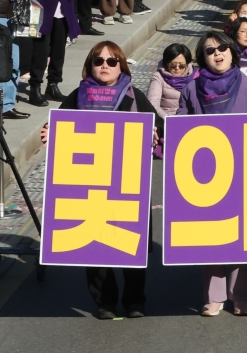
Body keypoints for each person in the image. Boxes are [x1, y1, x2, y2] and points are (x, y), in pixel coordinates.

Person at [38, 42, 160, 319]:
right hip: (88, 183)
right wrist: (49, 132)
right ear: (90, 65)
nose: (105, 65)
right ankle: (105, 302)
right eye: (98, 60)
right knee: (94, 245)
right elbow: (57, 125)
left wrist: (154, 135)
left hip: (127, 183)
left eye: (112, 61)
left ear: (121, 66)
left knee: (130, 243)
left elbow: (158, 129)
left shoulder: (134, 96)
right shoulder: (76, 96)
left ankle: (134, 301)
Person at [176, 30, 247, 317]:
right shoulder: (191, 90)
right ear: (202, 57)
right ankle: (214, 297)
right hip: (204, 175)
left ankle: (240, 296)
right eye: (209, 50)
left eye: (222, 48)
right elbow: (181, 127)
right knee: (210, 235)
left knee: (242, 236)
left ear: (232, 52)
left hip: (244, 172)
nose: (217, 53)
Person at [146, 43, 194, 119]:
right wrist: (170, 119)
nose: (177, 68)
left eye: (181, 66)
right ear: (167, 64)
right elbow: (152, 104)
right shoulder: (159, 77)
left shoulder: (196, 76)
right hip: (166, 120)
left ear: (187, 65)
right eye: (173, 65)